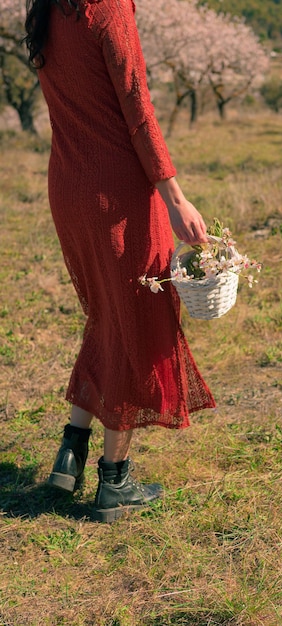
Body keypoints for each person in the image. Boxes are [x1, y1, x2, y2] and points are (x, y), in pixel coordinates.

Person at [24, 0, 216, 523]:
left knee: (108, 317)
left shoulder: (46, 8)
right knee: (135, 321)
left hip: (69, 187)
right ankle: (114, 481)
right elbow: (138, 107)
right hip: (118, 197)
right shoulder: (105, 6)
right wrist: (175, 197)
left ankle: (71, 449)